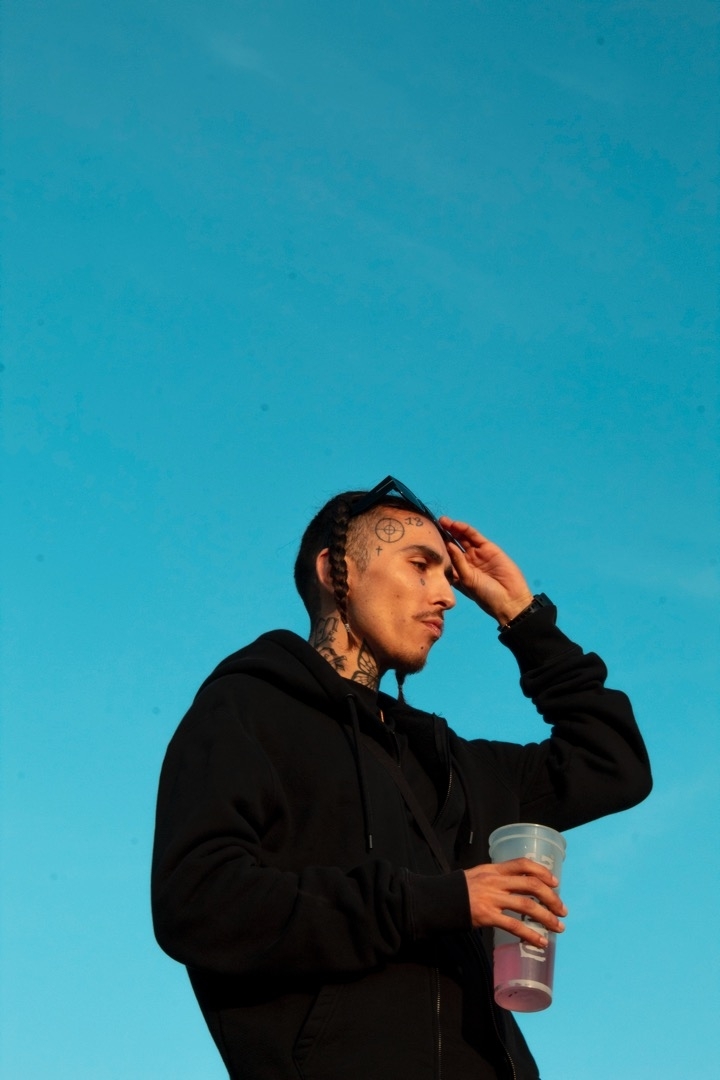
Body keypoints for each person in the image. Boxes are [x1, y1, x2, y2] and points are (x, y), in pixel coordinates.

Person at [151, 476, 652, 1080]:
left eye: (449, 576)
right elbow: (198, 903)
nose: (446, 596)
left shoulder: (451, 765)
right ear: (335, 569)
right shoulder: (248, 711)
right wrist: (443, 901)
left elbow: (612, 764)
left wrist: (522, 618)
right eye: (420, 566)